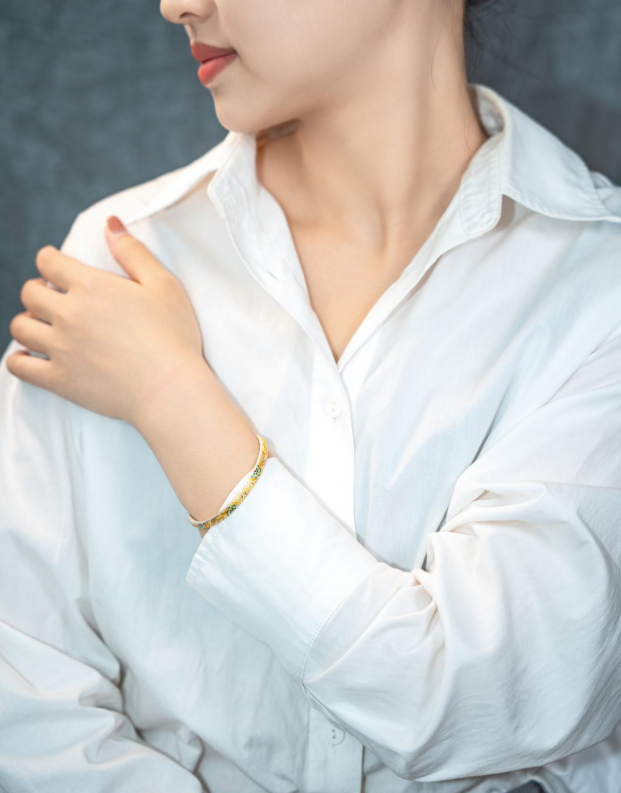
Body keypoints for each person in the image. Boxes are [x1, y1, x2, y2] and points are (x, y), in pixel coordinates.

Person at [1, 0, 620, 791]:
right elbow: (28, 700)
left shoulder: (598, 292)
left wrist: (169, 395)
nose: (176, 5)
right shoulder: (113, 263)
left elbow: (485, 697)